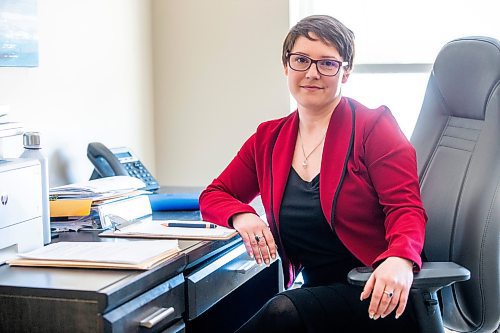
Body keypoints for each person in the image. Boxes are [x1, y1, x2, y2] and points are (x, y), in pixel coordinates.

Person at [199, 14, 426, 332]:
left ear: (345, 72)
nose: (312, 73)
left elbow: (406, 209)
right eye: (301, 60)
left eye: (327, 64)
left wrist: (400, 259)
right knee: (223, 311)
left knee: (281, 312)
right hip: (318, 293)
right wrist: (243, 215)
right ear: (286, 66)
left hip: (379, 293)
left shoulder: (374, 127)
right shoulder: (269, 138)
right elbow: (213, 195)